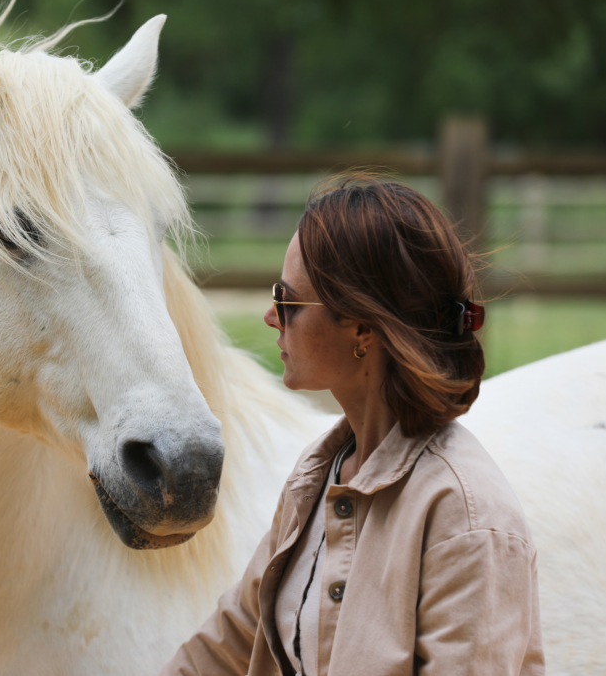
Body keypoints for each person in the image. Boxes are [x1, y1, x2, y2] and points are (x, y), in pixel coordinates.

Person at [160, 175, 543, 676]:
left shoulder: (467, 521)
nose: (270, 318)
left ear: (362, 328)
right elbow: (231, 640)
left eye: (287, 301)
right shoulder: (320, 473)